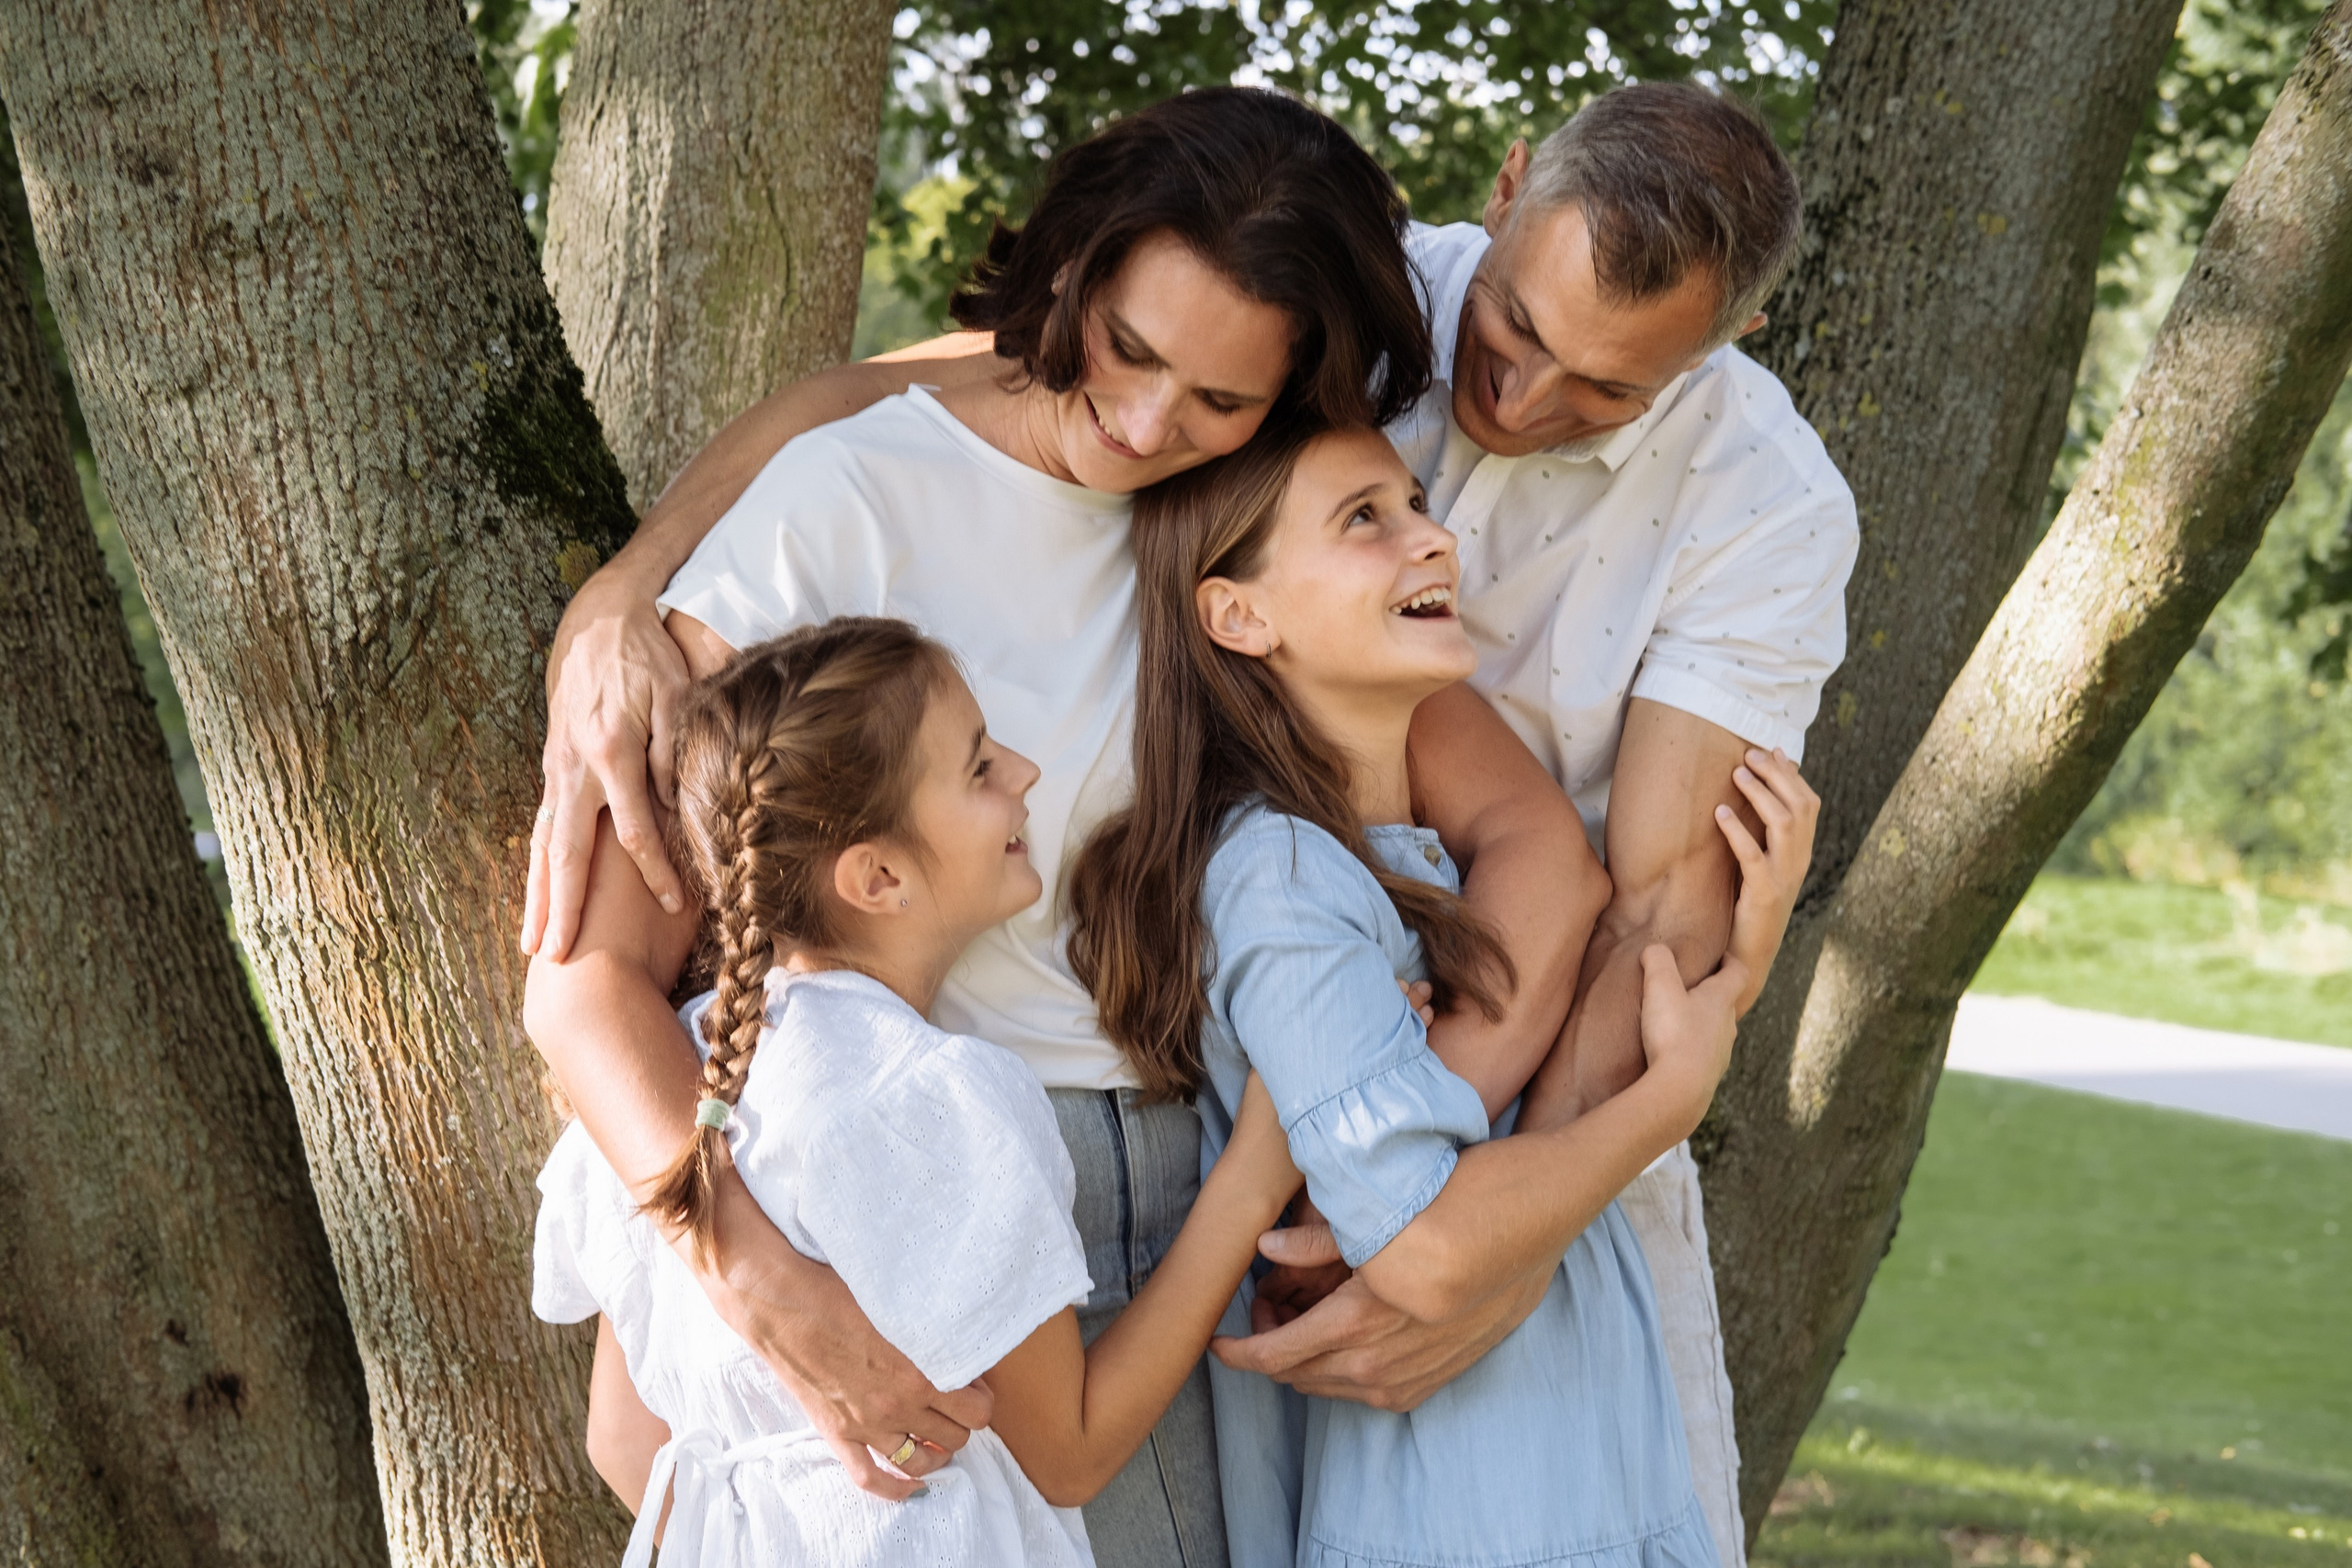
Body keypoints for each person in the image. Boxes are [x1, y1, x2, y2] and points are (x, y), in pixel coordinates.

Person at [521, 87, 1601, 1568]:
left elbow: (1538, 841)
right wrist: (751, 1274)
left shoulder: (1237, 529)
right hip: (850, 1195)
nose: (1149, 424)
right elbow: (591, 981)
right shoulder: (851, 502)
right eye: (1131, 349)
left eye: (1220, 399)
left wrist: (1408, 1177)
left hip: (1152, 1194)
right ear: (1079, 274)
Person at [1217, 83, 1859, 1567]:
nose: (1522, 400)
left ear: (1725, 343)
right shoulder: (1335, 291)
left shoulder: (1764, 503)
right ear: (1505, 189)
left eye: (1607, 389)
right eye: (1512, 329)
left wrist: (1492, 1249)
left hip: (1544, 1096)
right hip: (1228, 1030)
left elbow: (1657, 906)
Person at [1067, 421, 1816, 1567]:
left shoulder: (1417, 862)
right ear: (1238, 616)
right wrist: (1667, 1108)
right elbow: (1422, 1249)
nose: (1433, 539)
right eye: (1365, 518)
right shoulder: (1283, 882)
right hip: (1458, 1509)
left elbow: (1532, 1122)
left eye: (1416, 504)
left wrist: (1740, 971)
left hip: (1574, 1472)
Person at [531, 618, 1308, 1566]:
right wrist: (1255, 1177)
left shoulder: (657, 1109)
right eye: (979, 768)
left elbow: (622, 1443)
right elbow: (1067, 1453)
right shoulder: (935, 1102)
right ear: (879, 876)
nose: (1023, 772)